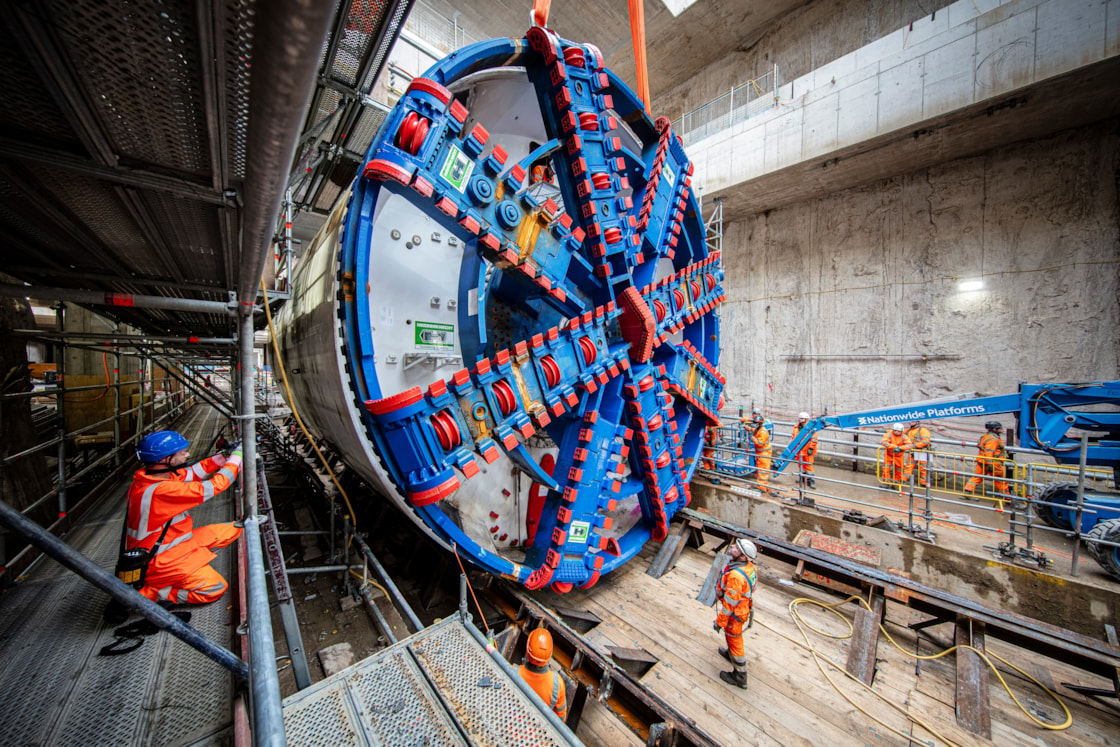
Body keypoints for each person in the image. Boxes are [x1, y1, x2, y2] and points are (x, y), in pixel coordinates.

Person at [126, 430, 243, 606]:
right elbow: (215, 486)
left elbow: (192, 472)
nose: (187, 454)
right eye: (182, 453)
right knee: (216, 588)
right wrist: (237, 458)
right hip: (162, 561)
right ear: (166, 460)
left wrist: (223, 457)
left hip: (172, 545)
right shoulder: (162, 491)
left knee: (237, 528)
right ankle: (151, 593)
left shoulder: (152, 478)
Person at [713, 537, 758, 689]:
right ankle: (730, 653)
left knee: (735, 640)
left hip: (735, 614)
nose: (732, 547)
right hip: (742, 609)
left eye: (736, 548)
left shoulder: (736, 576)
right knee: (731, 637)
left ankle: (740, 676)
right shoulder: (749, 567)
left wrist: (720, 622)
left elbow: (729, 605)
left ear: (743, 556)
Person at [518, 628, 567, 721]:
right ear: (550, 655)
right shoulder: (557, 683)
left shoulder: (514, 671)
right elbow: (561, 719)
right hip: (539, 731)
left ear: (528, 652)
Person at [964, 421, 1010, 499]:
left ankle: (967, 492)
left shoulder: (985, 436)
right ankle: (1007, 498)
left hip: (982, 461)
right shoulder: (993, 440)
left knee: (977, 477)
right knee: (1000, 480)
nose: (1002, 429)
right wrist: (990, 464)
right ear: (994, 429)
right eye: (1000, 428)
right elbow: (989, 452)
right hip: (993, 462)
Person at [791, 412, 818, 489]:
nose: (800, 420)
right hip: (799, 450)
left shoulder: (811, 427)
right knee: (801, 465)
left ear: (806, 419)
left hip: (807, 450)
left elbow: (814, 439)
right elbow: (794, 438)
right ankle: (802, 478)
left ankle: (811, 480)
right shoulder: (796, 427)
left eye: (802, 418)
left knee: (809, 465)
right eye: (800, 418)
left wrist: (811, 448)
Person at [748, 411, 772, 493]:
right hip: (761, 453)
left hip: (764, 454)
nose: (754, 424)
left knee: (763, 471)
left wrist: (753, 438)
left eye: (755, 423)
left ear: (759, 424)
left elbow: (760, 443)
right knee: (761, 470)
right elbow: (754, 430)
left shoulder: (763, 432)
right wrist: (749, 429)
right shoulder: (758, 429)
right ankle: (762, 485)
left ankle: (762, 488)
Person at [904, 420, 932, 487]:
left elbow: (925, 441)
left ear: (917, 422)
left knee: (924, 468)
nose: (910, 422)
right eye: (910, 421)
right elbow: (897, 432)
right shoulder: (908, 430)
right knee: (908, 467)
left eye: (912, 421)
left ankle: (924, 483)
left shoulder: (923, 430)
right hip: (913, 451)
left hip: (922, 451)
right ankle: (903, 480)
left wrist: (914, 446)